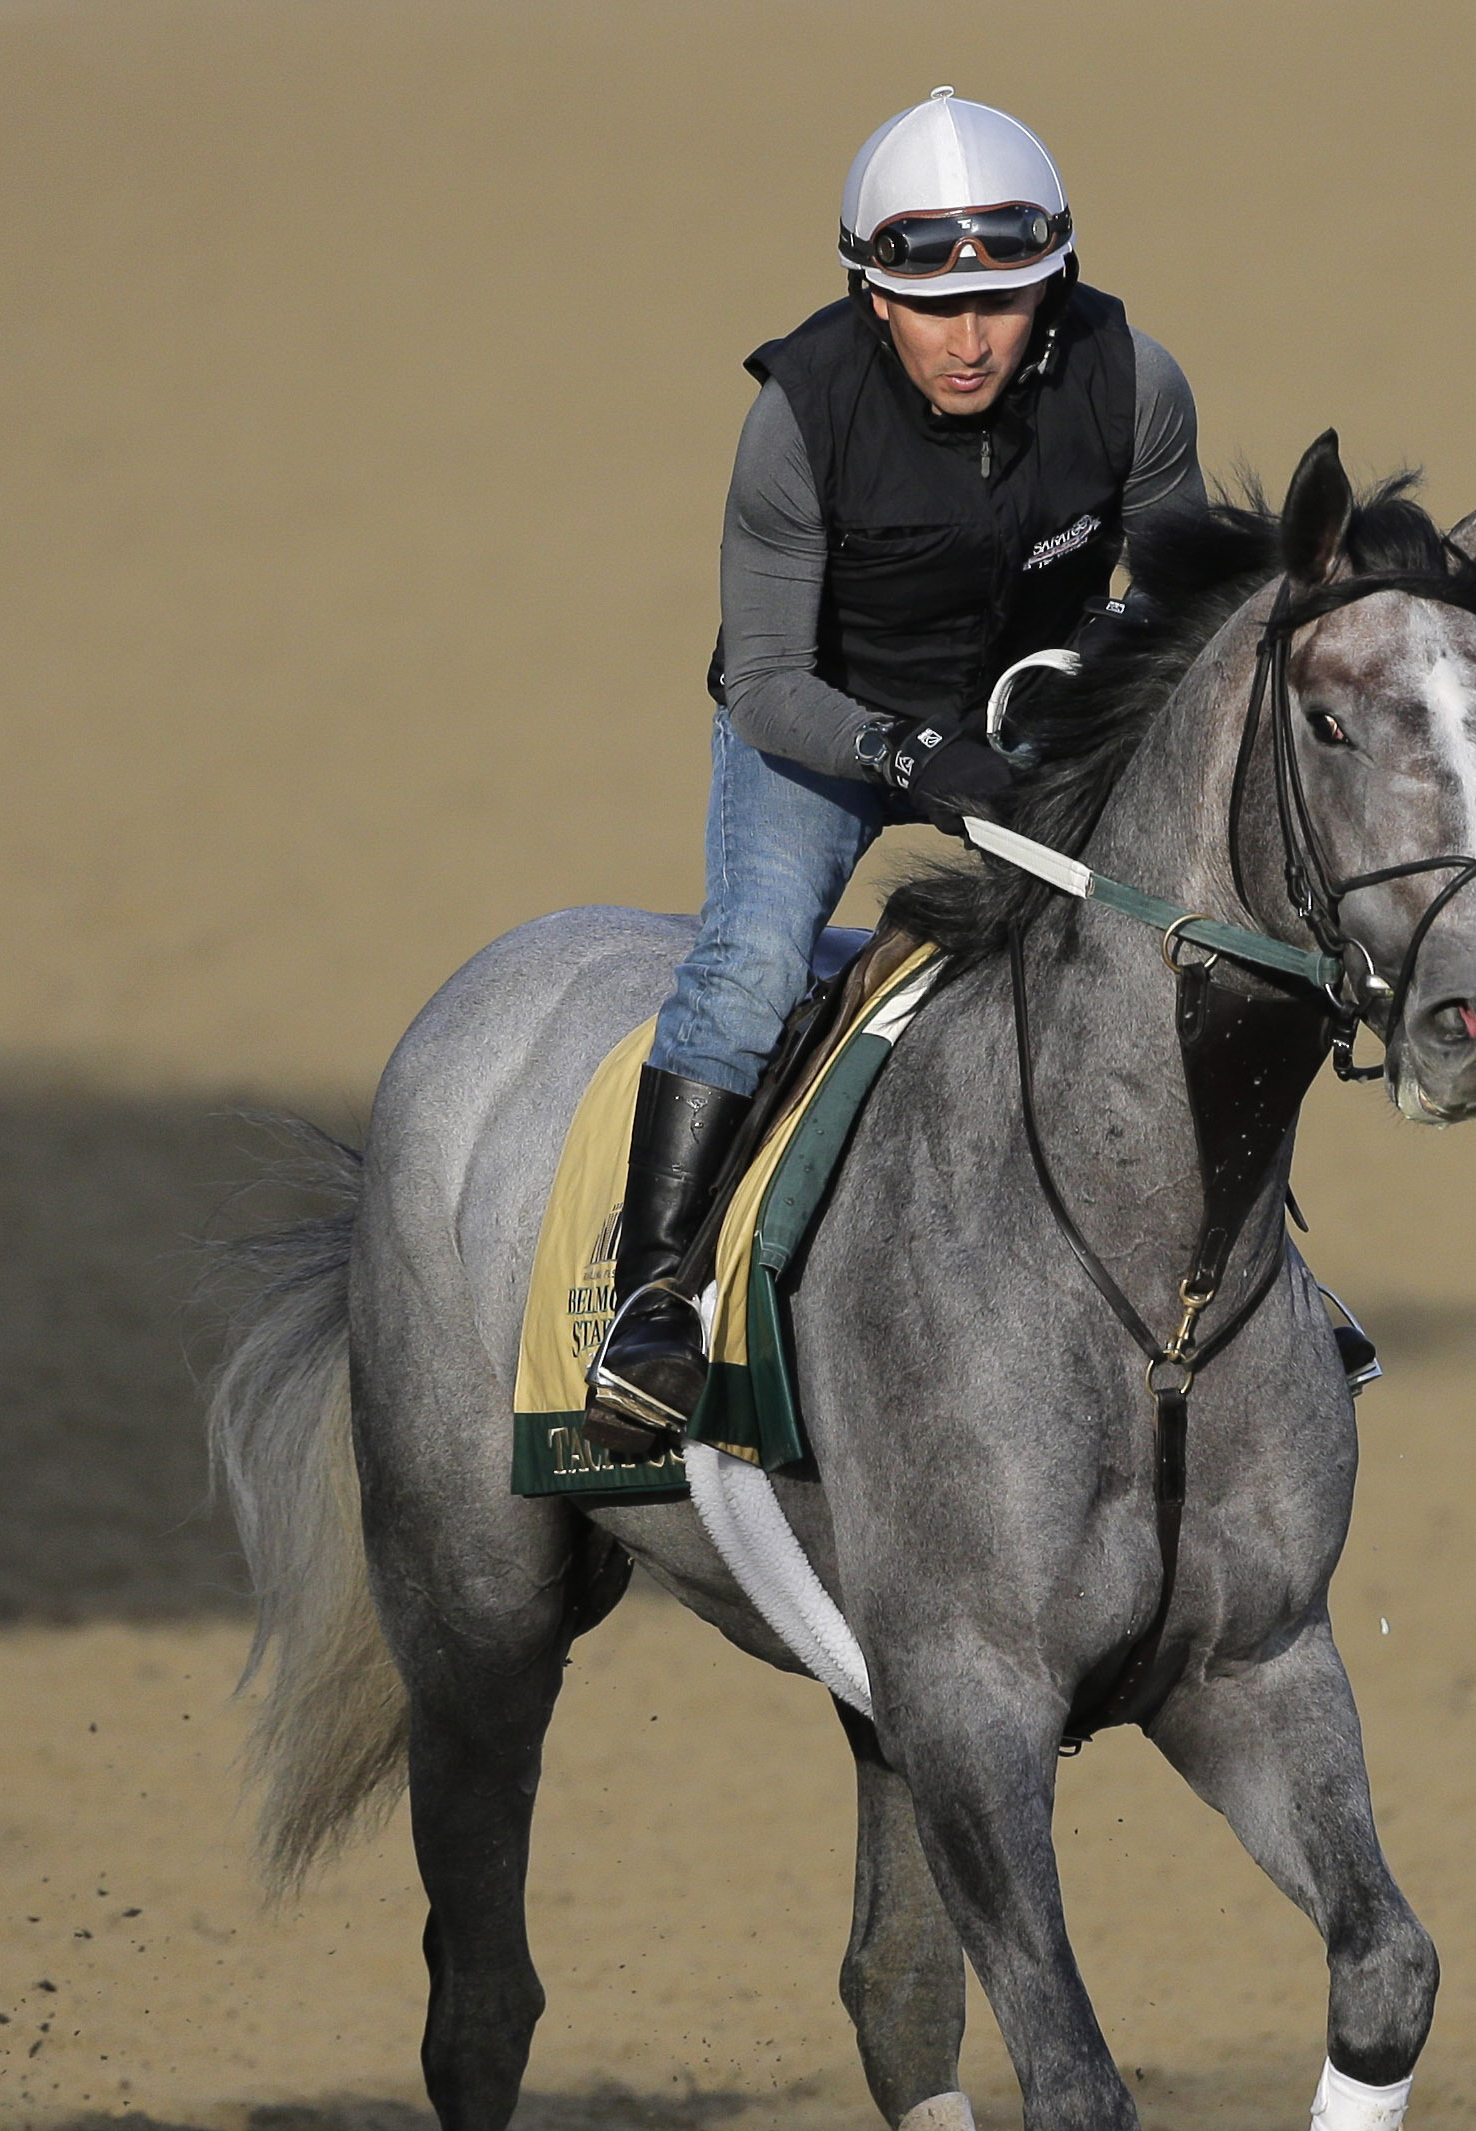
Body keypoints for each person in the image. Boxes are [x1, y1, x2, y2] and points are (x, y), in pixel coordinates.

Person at [586, 88, 1207, 1452]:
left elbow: (1180, 605)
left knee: (1176, 954)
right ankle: (652, 1307)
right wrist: (916, 759)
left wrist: (1081, 697)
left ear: (1058, 282)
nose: (971, 338)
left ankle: (1249, 1291)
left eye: (1007, 299)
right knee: (751, 965)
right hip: (822, 728)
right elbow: (763, 685)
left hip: (1024, 727)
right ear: (872, 297)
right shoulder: (796, 419)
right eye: (932, 305)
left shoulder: (1135, 383)